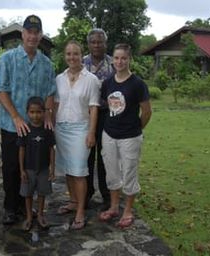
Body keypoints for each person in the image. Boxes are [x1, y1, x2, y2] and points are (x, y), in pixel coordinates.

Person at [0, 14, 56, 225]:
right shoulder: (6, 59)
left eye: (36, 32)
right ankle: (11, 208)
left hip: (37, 127)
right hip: (12, 125)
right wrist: (16, 117)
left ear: (41, 35)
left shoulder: (47, 64)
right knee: (12, 167)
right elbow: (0, 90)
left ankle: (27, 208)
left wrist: (47, 113)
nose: (32, 36)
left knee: (33, 168)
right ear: (23, 34)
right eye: (29, 31)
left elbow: (50, 92)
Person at [98, 43, 152, 228]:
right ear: (112, 60)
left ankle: (127, 210)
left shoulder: (138, 84)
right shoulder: (108, 83)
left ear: (129, 59)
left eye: (123, 58)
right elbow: (108, 106)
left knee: (129, 172)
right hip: (109, 134)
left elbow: (146, 112)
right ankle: (114, 207)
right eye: (116, 58)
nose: (120, 61)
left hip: (130, 136)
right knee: (112, 173)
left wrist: (136, 128)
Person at [55, 40, 100, 230]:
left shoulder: (91, 79)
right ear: (65, 56)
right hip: (61, 128)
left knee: (80, 171)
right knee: (68, 169)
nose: (72, 57)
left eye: (75, 53)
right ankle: (73, 201)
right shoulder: (59, 78)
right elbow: (56, 104)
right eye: (68, 54)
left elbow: (94, 109)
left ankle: (81, 210)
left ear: (82, 55)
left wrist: (91, 133)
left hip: (81, 129)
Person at [83, 28, 114, 209]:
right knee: (86, 156)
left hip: (107, 115)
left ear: (105, 43)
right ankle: (86, 193)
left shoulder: (113, 64)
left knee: (106, 156)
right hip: (85, 116)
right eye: (93, 42)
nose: (96, 45)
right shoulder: (81, 63)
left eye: (100, 42)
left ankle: (107, 194)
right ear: (88, 44)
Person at [17, 97, 55, 231]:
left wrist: (52, 169)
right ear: (27, 112)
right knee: (28, 194)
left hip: (44, 168)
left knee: (41, 193)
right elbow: (21, 150)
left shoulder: (47, 129)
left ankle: (40, 214)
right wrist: (21, 170)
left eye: (39, 112)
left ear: (44, 112)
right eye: (32, 112)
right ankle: (29, 216)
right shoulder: (25, 129)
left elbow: (51, 149)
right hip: (28, 169)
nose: (35, 115)